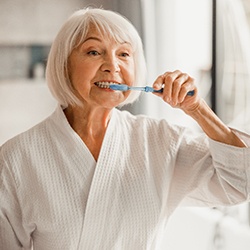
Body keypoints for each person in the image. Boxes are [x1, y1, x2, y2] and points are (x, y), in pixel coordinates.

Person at [0, 7, 249, 250]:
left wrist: (198, 109)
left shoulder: (161, 141)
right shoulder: (16, 158)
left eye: (124, 54)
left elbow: (241, 183)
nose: (113, 65)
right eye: (94, 52)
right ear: (64, 65)